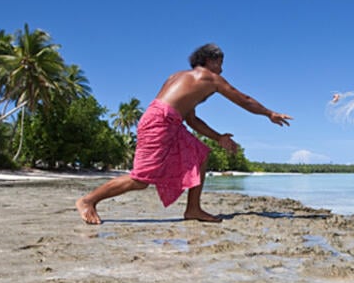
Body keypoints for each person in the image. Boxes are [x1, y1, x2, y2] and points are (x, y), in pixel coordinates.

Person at [76, 43, 292, 224]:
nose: (222, 70)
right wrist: (269, 113)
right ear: (209, 60)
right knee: (141, 180)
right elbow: (242, 99)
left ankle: (193, 210)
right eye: (220, 63)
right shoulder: (209, 77)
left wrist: (218, 138)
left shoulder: (180, 78)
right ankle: (89, 200)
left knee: (200, 154)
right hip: (159, 122)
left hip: (170, 122)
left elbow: (191, 120)